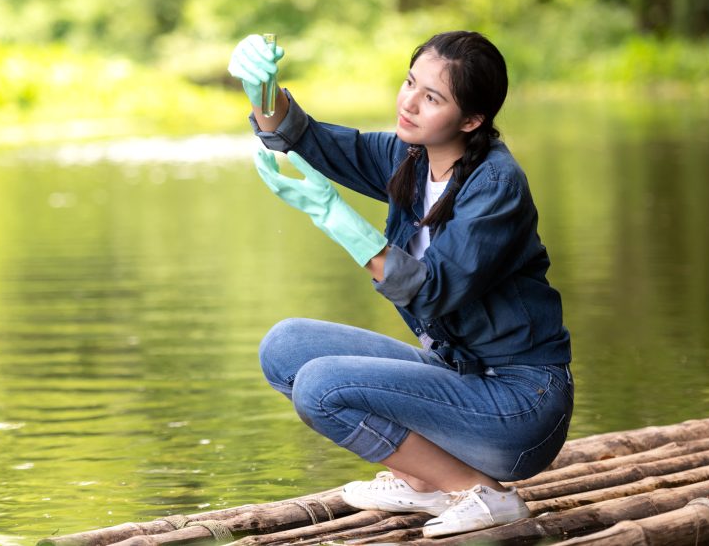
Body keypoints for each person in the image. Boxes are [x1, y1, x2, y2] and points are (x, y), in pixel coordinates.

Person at [226, 31, 573, 538]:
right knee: (285, 347)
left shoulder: (496, 186)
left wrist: (335, 218)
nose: (409, 102)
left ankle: (482, 495)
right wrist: (263, 89)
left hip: (519, 405)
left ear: (472, 120)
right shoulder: (409, 157)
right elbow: (309, 140)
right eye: (410, 82)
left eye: (432, 97)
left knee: (322, 387)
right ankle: (421, 480)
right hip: (456, 374)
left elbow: (433, 290)